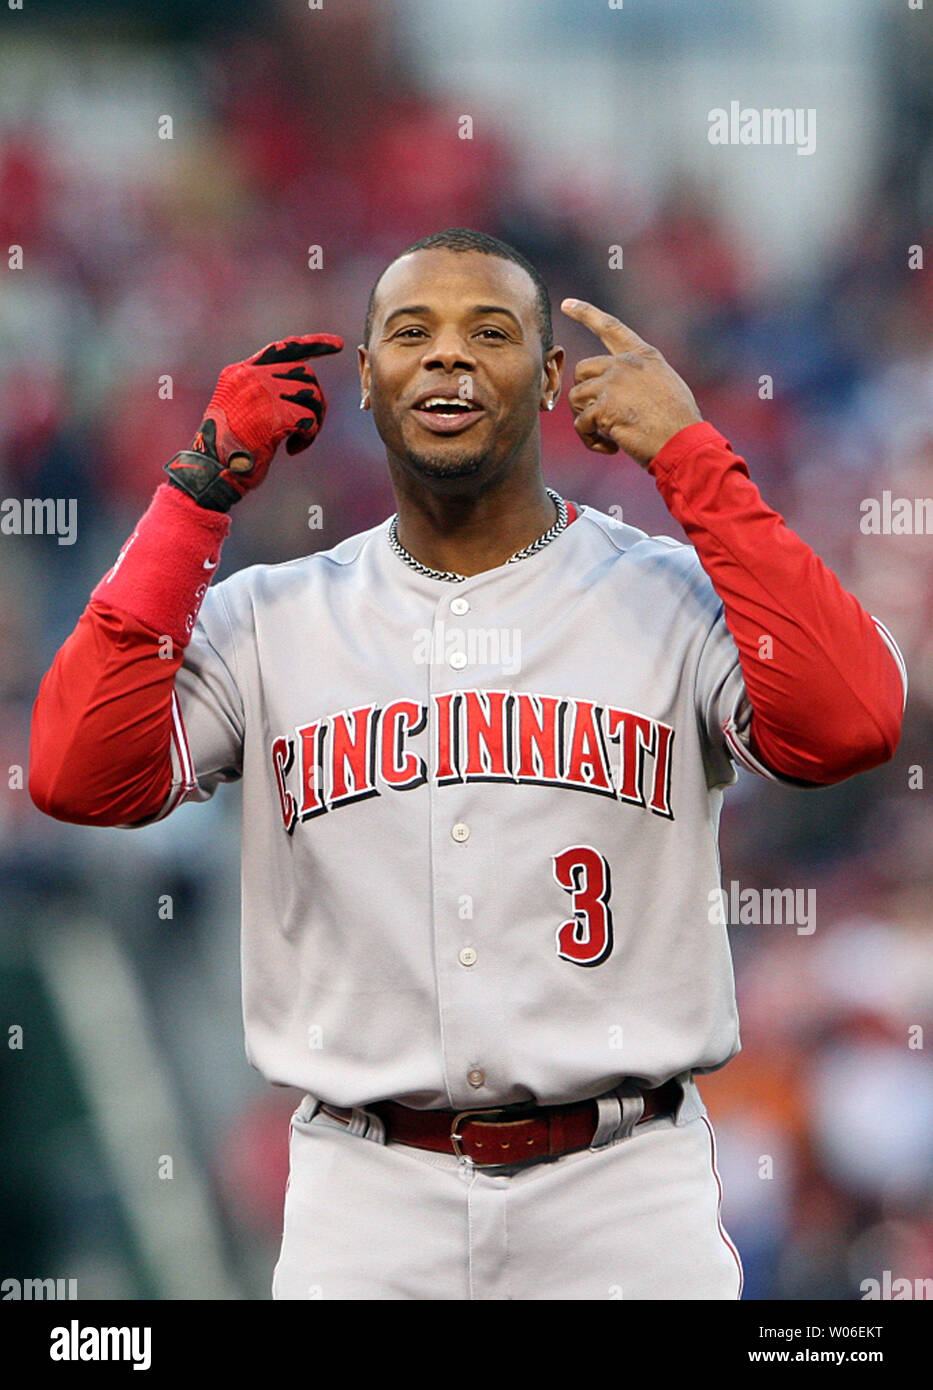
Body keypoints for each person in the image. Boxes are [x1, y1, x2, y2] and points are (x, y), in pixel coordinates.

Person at [29, 228, 906, 1300]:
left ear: (549, 381)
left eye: (489, 332)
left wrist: (691, 457)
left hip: (622, 1191)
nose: (448, 356)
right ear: (364, 379)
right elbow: (76, 771)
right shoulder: (273, 620)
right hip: (368, 1194)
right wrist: (196, 492)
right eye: (411, 332)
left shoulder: (665, 595)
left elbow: (853, 718)